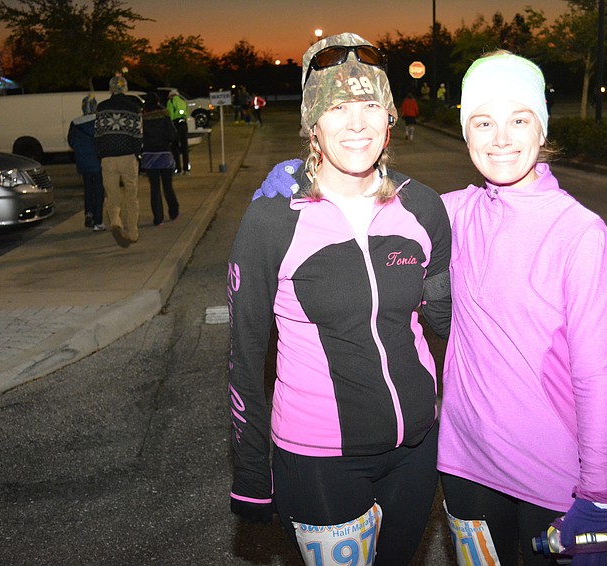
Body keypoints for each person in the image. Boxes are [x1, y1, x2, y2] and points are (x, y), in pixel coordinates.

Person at [227, 32, 451, 566]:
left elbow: (447, 318)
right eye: (338, 108)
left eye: (371, 105)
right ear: (312, 124)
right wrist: (253, 473)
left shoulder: (423, 207)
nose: (357, 123)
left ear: (390, 116)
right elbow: (243, 354)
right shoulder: (270, 220)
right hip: (319, 457)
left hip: (416, 450)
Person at [434, 51, 607, 566]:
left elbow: (596, 373)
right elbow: (365, 206)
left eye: (519, 119)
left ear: (541, 129)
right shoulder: (450, 213)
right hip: (464, 464)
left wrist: (599, 494)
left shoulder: (580, 234)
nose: (501, 138)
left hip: (550, 474)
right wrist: (303, 181)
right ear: (466, 135)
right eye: (483, 122)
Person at [94, 74, 143, 248]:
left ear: (110, 89)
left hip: (108, 158)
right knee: (131, 194)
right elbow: (138, 135)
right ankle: (133, 232)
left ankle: (115, 222)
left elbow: (98, 134)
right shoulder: (134, 108)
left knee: (112, 195)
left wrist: (101, 153)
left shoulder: (101, 108)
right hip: (128, 157)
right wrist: (138, 154)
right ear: (125, 89)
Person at [67, 93, 106, 232]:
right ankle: (98, 220)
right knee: (99, 191)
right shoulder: (100, 122)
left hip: (83, 161)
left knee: (88, 189)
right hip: (98, 161)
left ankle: (88, 212)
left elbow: (71, 142)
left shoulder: (75, 123)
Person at [141, 92, 179, 226]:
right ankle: (173, 211)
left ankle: (158, 217)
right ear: (158, 102)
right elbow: (173, 135)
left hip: (150, 156)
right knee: (168, 185)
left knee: (154, 188)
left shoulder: (143, 119)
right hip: (164, 154)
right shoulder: (164, 116)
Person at [166, 89, 190, 174]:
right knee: (185, 147)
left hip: (176, 125)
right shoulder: (183, 102)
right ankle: (187, 169)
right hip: (184, 124)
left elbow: (170, 115)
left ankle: (178, 169)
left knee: (175, 147)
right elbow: (186, 113)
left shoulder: (170, 102)